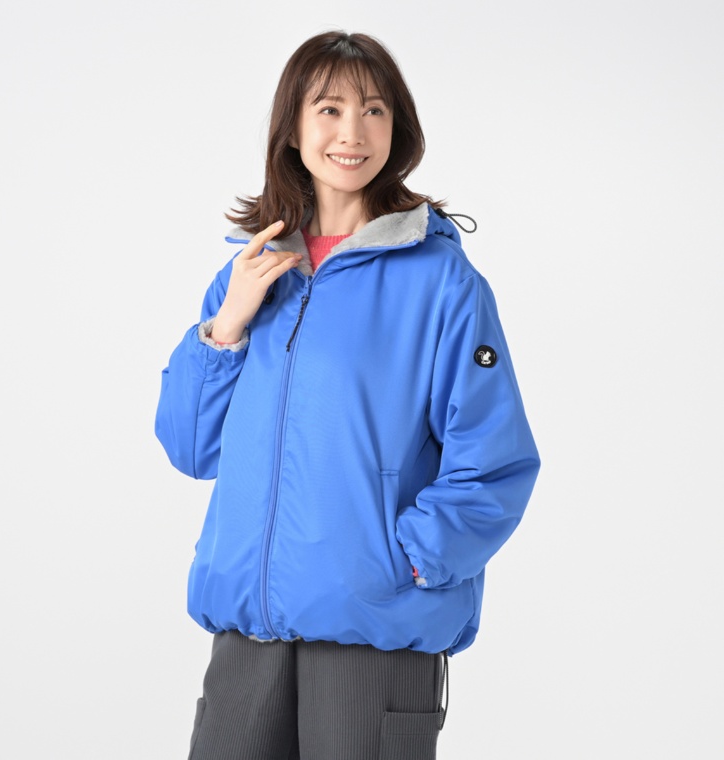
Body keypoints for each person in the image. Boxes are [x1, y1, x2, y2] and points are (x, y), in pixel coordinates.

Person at [155, 30, 540, 760]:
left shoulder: (442, 283)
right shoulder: (249, 275)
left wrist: (410, 560)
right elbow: (190, 448)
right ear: (292, 128)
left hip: (374, 635)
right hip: (248, 632)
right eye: (329, 109)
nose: (352, 132)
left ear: (397, 130)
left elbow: (495, 460)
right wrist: (226, 326)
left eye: (373, 110)